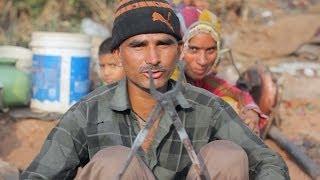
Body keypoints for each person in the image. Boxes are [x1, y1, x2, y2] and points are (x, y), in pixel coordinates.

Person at [21, 1, 289, 179]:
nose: (153, 58)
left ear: (179, 49)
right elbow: (39, 175)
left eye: (163, 44)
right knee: (116, 163)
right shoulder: (88, 112)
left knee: (227, 156)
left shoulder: (208, 107)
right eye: (138, 46)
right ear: (118, 53)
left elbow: (269, 162)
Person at [173, 8, 268, 136]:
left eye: (210, 50)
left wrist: (251, 112)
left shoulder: (201, 80)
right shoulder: (168, 81)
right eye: (194, 49)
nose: (203, 61)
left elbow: (237, 93)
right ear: (179, 48)